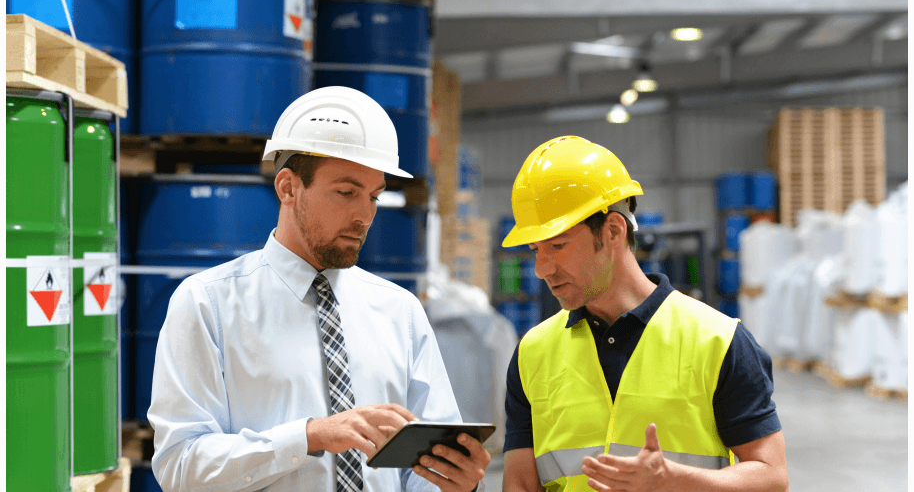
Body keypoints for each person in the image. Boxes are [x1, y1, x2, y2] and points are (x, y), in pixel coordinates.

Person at [148, 87, 490, 492]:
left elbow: (422, 469)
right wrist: (308, 437)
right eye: (346, 192)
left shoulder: (400, 311)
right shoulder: (208, 304)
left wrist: (458, 482)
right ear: (288, 188)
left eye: (374, 196)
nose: (365, 215)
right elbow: (180, 467)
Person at [500, 136, 788, 492]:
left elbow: (772, 478)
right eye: (535, 250)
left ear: (613, 231)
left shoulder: (718, 341)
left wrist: (674, 480)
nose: (542, 268)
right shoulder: (533, 352)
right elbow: (520, 484)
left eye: (557, 247)